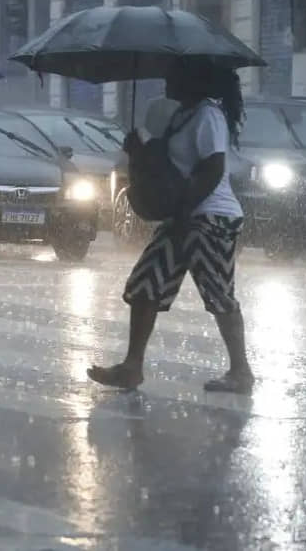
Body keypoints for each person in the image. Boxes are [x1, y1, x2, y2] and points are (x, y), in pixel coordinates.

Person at [88, 60, 253, 394]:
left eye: (175, 73)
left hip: (210, 218)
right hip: (182, 216)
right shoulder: (184, 115)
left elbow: (212, 169)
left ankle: (241, 372)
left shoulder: (208, 115)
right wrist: (138, 151)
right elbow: (169, 166)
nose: (167, 79)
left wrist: (184, 213)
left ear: (194, 78)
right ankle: (132, 367)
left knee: (218, 292)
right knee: (146, 284)